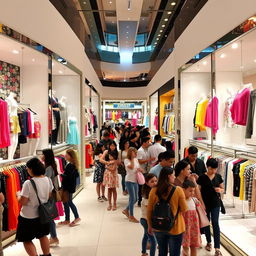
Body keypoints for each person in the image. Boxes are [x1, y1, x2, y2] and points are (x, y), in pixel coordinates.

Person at [16, 158, 53, 256]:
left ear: (32, 169)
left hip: (28, 217)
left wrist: (18, 196)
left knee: (26, 239)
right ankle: (47, 254)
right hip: (43, 215)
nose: (27, 171)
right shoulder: (47, 179)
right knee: (43, 236)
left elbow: (23, 201)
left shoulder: (28, 183)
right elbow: (49, 195)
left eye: (28, 169)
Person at [147, 167, 187, 256]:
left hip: (158, 226)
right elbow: (184, 209)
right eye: (173, 175)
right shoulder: (178, 190)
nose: (174, 177)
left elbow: (149, 210)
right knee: (174, 253)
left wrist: (150, 225)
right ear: (169, 176)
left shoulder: (154, 190)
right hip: (175, 226)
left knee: (162, 252)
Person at [197, 158, 224, 256]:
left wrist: (219, 190)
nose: (214, 171)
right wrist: (201, 203)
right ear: (208, 167)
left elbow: (222, 189)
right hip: (205, 203)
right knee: (206, 223)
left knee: (215, 223)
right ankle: (208, 242)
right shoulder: (201, 177)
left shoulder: (218, 176)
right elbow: (198, 191)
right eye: (212, 169)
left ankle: (217, 248)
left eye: (215, 169)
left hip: (216, 203)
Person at [42, 149, 59, 246]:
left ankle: (54, 237)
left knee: (49, 216)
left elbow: (46, 182)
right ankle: (53, 236)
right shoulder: (50, 166)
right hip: (49, 193)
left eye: (43, 154)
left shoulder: (48, 168)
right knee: (49, 216)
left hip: (48, 194)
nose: (41, 156)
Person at [59, 149, 81, 227]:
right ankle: (67, 219)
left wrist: (61, 174)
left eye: (67, 155)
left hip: (68, 187)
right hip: (68, 187)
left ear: (71, 156)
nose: (65, 156)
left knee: (69, 202)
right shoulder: (72, 164)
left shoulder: (70, 165)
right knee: (65, 203)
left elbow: (69, 177)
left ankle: (77, 217)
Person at [122, 147, 143, 223]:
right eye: (134, 152)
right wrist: (132, 159)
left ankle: (126, 210)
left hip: (135, 180)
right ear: (131, 153)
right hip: (129, 181)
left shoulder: (136, 160)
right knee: (132, 198)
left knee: (136, 198)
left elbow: (138, 168)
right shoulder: (126, 160)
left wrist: (140, 170)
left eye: (136, 152)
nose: (136, 154)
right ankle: (131, 216)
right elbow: (131, 167)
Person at [182, 180, 201, 256]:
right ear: (183, 189)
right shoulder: (181, 201)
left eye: (193, 191)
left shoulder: (194, 200)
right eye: (190, 191)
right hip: (185, 227)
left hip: (194, 227)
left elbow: (200, 210)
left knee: (194, 246)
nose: (192, 193)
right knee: (185, 246)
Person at [140, 174, 158, 256]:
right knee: (153, 241)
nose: (155, 183)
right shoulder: (148, 196)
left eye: (156, 181)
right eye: (152, 181)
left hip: (145, 219)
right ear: (147, 183)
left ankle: (143, 252)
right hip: (146, 220)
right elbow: (150, 210)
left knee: (146, 236)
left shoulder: (153, 192)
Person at [137, 137, 155, 206]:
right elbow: (140, 161)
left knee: (145, 185)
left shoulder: (146, 150)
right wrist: (149, 160)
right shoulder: (140, 151)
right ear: (144, 143)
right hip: (142, 171)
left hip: (146, 170)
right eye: (147, 142)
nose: (149, 143)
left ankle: (144, 199)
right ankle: (139, 200)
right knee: (141, 186)